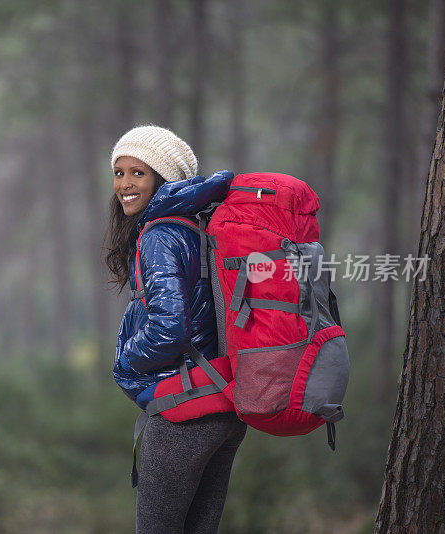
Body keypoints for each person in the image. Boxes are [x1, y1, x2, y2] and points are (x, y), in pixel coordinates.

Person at [104, 125, 247, 534]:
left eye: (139, 173)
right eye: (119, 172)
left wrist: (125, 360)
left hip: (184, 407)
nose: (125, 184)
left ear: (164, 178)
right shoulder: (199, 227)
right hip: (223, 404)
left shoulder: (160, 236)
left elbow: (170, 329)